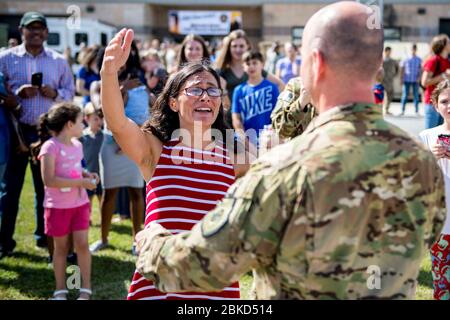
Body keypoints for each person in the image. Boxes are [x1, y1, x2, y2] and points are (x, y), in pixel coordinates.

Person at [134, 1, 446, 299]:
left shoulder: (283, 168)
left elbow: (203, 266)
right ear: (378, 65)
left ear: (316, 63)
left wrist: (151, 241)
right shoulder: (421, 161)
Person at [100, 28, 249, 299]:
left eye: (212, 90)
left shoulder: (234, 158)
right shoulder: (156, 150)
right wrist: (109, 73)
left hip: (216, 290)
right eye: (195, 89)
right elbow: (118, 124)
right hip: (159, 289)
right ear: (173, 102)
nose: (205, 96)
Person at [0, 12, 75, 259]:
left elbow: (70, 93)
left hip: (47, 134)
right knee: (9, 189)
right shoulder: (5, 58)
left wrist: (54, 93)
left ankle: (44, 237)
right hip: (15, 131)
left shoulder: (58, 61)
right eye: (29, 28)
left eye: (39, 28)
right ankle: (4, 241)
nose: (35, 32)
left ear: (46, 32)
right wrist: (18, 95)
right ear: (21, 31)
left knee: (46, 187)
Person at [32, 102, 98, 300]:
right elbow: (49, 180)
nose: (83, 125)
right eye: (80, 121)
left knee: (82, 245)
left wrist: (88, 175)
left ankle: (84, 289)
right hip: (57, 207)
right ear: (70, 124)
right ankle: (61, 289)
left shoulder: (77, 145)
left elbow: (76, 169)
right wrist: (81, 182)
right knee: (61, 248)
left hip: (80, 205)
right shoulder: (49, 147)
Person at [89, 42, 148, 255]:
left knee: (136, 192)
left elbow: (146, 110)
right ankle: (103, 238)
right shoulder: (98, 85)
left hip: (133, 143)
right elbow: (102, 111)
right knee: (109, 192)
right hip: (110, 144)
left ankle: (136, 240)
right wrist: (122, 90)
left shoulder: (137, 84)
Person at [418, 79, 450, 300]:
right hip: (440, 223)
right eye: (445, 101)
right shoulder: (427, 137)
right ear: (436, 104)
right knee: (441, 284)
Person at [215, 29, 284, 127]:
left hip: (251, 122)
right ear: (229, 48)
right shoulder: (221, 71)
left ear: (247, 46)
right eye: (234, 46)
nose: (238, 49)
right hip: (227, 123)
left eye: (241, 46)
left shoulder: (253, 69)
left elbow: (280, 84)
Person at [232, 51, 279, 147]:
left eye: (254, 63)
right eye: (248, 64)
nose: (251, 66)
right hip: (247, 139)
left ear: (262, 64)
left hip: (268, 138)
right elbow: (236, 118)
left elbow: (277, 115)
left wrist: (272, 135)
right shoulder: (239, 90)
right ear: (243, 67)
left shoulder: (272, 87)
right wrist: (244, 138)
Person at [421, 34, 450, 129]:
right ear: (443, 45)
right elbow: (424, 82)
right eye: (448, 42)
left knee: (441, 137)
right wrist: (443, 76)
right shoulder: (433, 61)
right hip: (432, 104)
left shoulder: (447, 61)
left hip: (445, 103)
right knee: (430, 136)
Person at [79, 103, 104, 206]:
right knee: (87, 199)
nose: (99, 122)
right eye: (96, 119)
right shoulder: (81, 136)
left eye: (101, 119)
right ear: (87, 118)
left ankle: (104, 220)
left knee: (102, 198)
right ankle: (87, 219)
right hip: (87, 173)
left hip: (101, 174)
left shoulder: (104, 136)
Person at [400, 44, 422, 116]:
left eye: (415, 49)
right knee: (405, 95)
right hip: (407, 80)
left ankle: (416, 111)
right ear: (411, 49)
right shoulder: (406, 58)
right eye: (412, 49)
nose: (413, 50)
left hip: (415, 80)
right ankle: (402, 110)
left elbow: (420, 70)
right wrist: (401, 78)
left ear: (416, 49)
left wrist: (419, 78)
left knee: (416, 96)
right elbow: (402, 69)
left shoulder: (419, 59)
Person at [381, 47, 398, 115]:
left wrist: (394, 75)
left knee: (390, 94)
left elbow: (397, 68)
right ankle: (380, 109)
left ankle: (386, 109)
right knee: (380, 95)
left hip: (389, 80)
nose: (389, 53)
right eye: (388, 51)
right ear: (385, 51)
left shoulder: (392, 61)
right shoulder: (381, 60)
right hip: (382, 80)